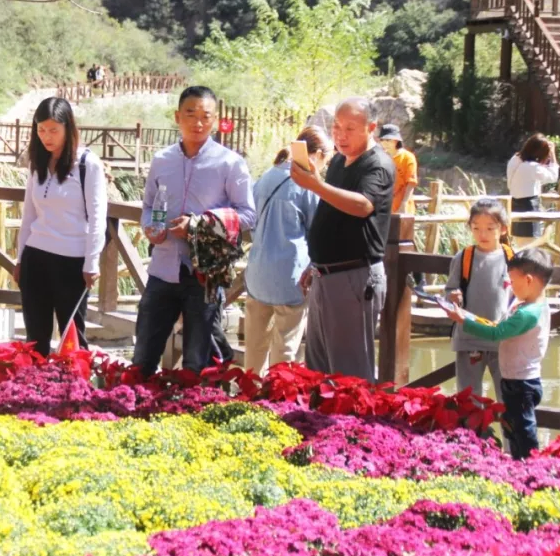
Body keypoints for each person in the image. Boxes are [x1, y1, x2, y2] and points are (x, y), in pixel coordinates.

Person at [133, 86, 255, 377]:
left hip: (204, 275)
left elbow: (249, 216)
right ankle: (134, 412)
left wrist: (200, 225)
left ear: (215, 120)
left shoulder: (230, 163)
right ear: (177, 116)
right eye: (191, 114)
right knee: (143, 358)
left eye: (205, 116)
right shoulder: (162, 160)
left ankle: (191, 417)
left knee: (197, 365)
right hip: (162, 269)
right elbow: (148, 206)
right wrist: (151, 227)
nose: (198, 123)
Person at [291, 97, 395, 383]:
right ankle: (318, 427)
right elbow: (330, 212)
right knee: (318, 369)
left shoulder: (378, 165)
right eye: (336, 126)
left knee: (349, 376)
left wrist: (317, 185)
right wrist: (314, 263)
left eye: (350, 128)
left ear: (371, 128)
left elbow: (363, 205)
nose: (340, 134)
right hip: (325, 274)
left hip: (354, 275)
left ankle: (354, 429)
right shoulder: (338, 160)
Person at [15, 97, 107, 354]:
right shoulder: (37, 162)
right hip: (36, 257)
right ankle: (34, 389)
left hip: (72, 260)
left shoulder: (88, 164)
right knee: (35, 336)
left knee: (72, 337)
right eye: (41, 130)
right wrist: (20, 259)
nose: (47, 137)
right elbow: (29, 216)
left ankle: (74, 390)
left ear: (69, 127)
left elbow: (98, 216)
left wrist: (91, 262)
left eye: (54, 130)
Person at [444, 249, 553, 460]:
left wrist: (463, 321)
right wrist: (469, 317)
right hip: (517, 379)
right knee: (512, 423)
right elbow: (498, 326)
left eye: (512, 280)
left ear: (528, 280)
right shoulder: (532, 305)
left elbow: (496, 333)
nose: (510, 286)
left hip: (521, 383)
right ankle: (516, 461)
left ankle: (530, 463)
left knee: (523, 427)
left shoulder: (526, 314)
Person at [244, 126, 333, 373]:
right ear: (315, 154)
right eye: (326, 159)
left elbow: (251, 222)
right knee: (285, 349)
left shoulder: (267, 177)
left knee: (254, 346)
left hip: (258, 272)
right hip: (290, 277)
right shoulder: (308, 185)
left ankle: (248, 398)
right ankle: (277, 403)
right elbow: (319, 231)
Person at [445, 199, 515, 402]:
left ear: (502, 229)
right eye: (476, 228)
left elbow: (520, 296)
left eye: (489, 228)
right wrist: (453, 295)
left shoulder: (511, 257)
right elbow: (449, 290)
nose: (482, 234)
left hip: (502, 339)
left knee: (507, 399)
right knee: (468, 398)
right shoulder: (464, 257)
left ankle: (508, 433)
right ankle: (470, 433)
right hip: (469, 337)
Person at [507, 134, 559, 249]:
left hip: (514, 204)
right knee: (529, 247)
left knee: (521, 245)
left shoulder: (515, 159)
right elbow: (553, 177)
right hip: (528, 206)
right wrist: (553, 155)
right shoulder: (532, 167)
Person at [378, 124, 418, 215]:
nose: (384, 143)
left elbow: (411, 183)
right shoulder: (381, 157)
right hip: (384, 208)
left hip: (402, 208)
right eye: (382, 140)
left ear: (396, 140)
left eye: (388, 140)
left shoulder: (407, 157)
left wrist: (404, 203)